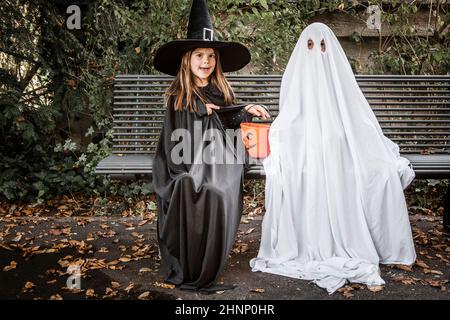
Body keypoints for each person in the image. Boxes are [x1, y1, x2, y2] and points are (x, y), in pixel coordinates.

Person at [250, 22, 417, 294]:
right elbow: (288, 120)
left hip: (340, 157)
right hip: (307, 155)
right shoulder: (298, 83)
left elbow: (358, 123)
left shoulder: (339, 85)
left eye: (324, 45)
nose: (317, 53)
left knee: (365, 166)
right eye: (311, 46)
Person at [152, 0, 269, 292]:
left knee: (216, 191)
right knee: (191, 186)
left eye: (211, 56)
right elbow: (173, 138)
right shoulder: (179, 96)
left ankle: (209, 257)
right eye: (199, 56)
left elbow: (229, 118)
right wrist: (200, 115)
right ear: (187, 60)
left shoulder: (220, 90)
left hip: (220, 164)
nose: (206, 62)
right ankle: (193, 260)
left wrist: (246, 111)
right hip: (185, 161)